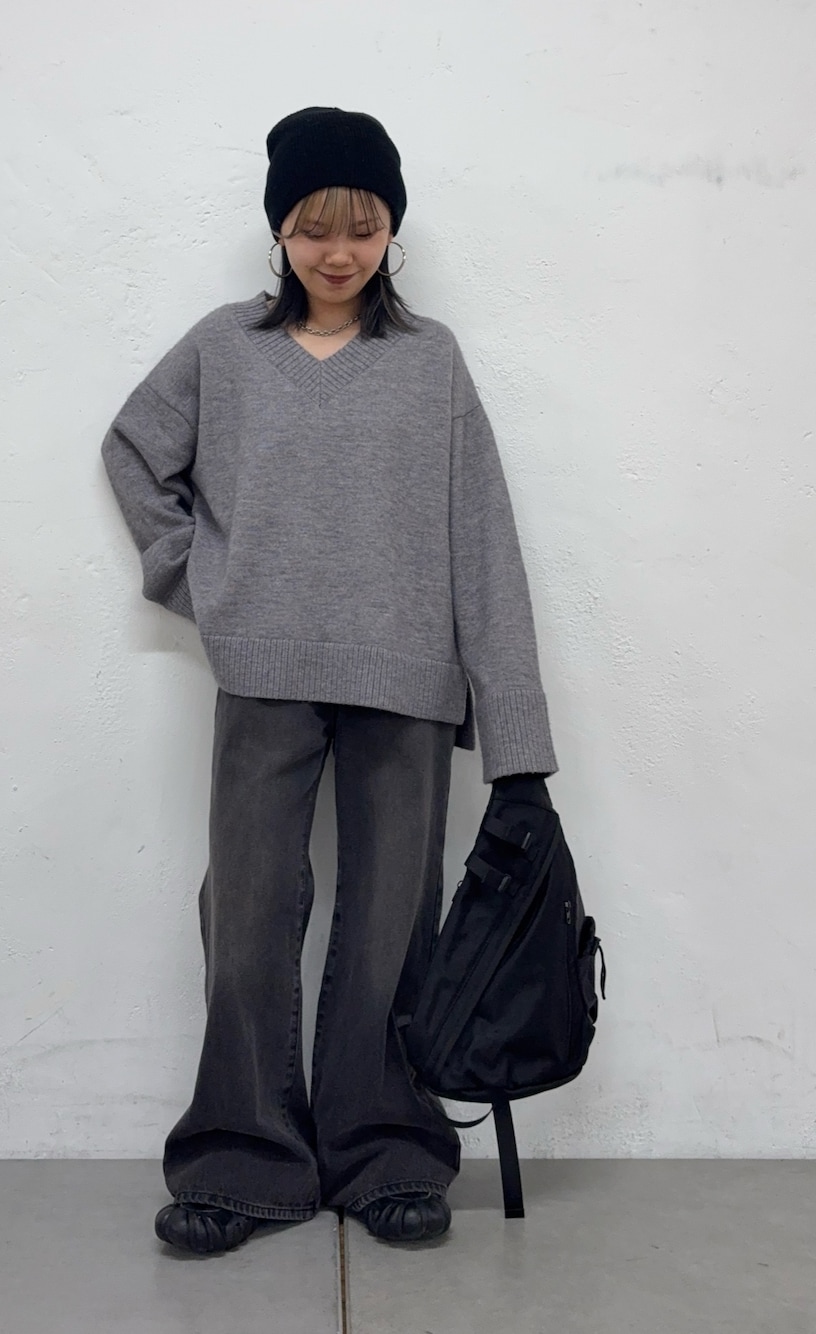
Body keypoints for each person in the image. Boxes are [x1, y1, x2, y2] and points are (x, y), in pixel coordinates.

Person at [100, 106, 558, 1255]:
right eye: (313, 228)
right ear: (279, 232)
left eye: (361, 227)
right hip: (262, 670)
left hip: (409, 679)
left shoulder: (430, 362)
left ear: (392, 230)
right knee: (247, 911)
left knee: (393, 919)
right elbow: (134, 450)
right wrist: (201, 580)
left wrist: (517, 740)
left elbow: (482, 543)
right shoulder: (224, 349)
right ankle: (242, 1157)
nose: (337, 251)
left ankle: (386, 1148)